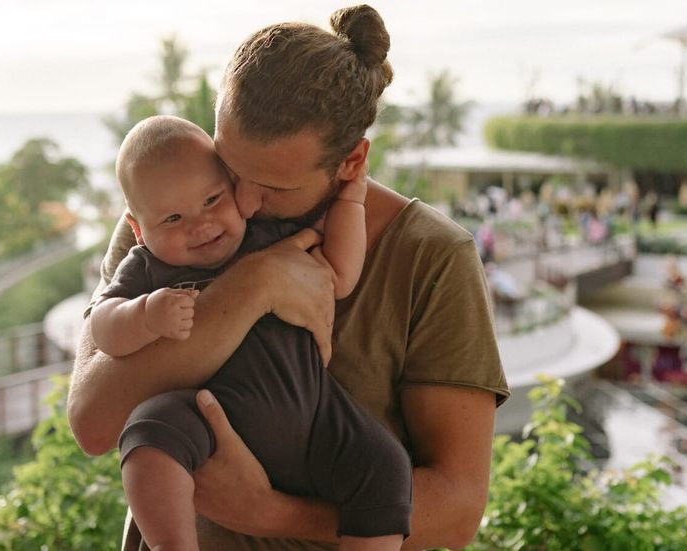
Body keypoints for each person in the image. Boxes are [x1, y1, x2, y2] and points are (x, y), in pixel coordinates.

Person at [67, 5, 509, 550]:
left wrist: (272, 514)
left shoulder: (430, 258)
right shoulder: (171, 224)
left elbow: (458, 509)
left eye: (274, 187)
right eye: (231, 169)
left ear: (351, 163)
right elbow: (92, 423)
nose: (244, 205)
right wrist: (253, 287)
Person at [90, 114, 409, 550]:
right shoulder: (147, 267)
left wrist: (352, 200)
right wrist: (144, 315)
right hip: (204, 415)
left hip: (315, 416)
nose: (199, 225)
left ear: (234, 184)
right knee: (148, 434)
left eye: (212, 200)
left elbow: (340, 275)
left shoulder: (267, 235)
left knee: (386, 465)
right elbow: (103, 327)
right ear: (138, 229)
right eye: (173, 218)